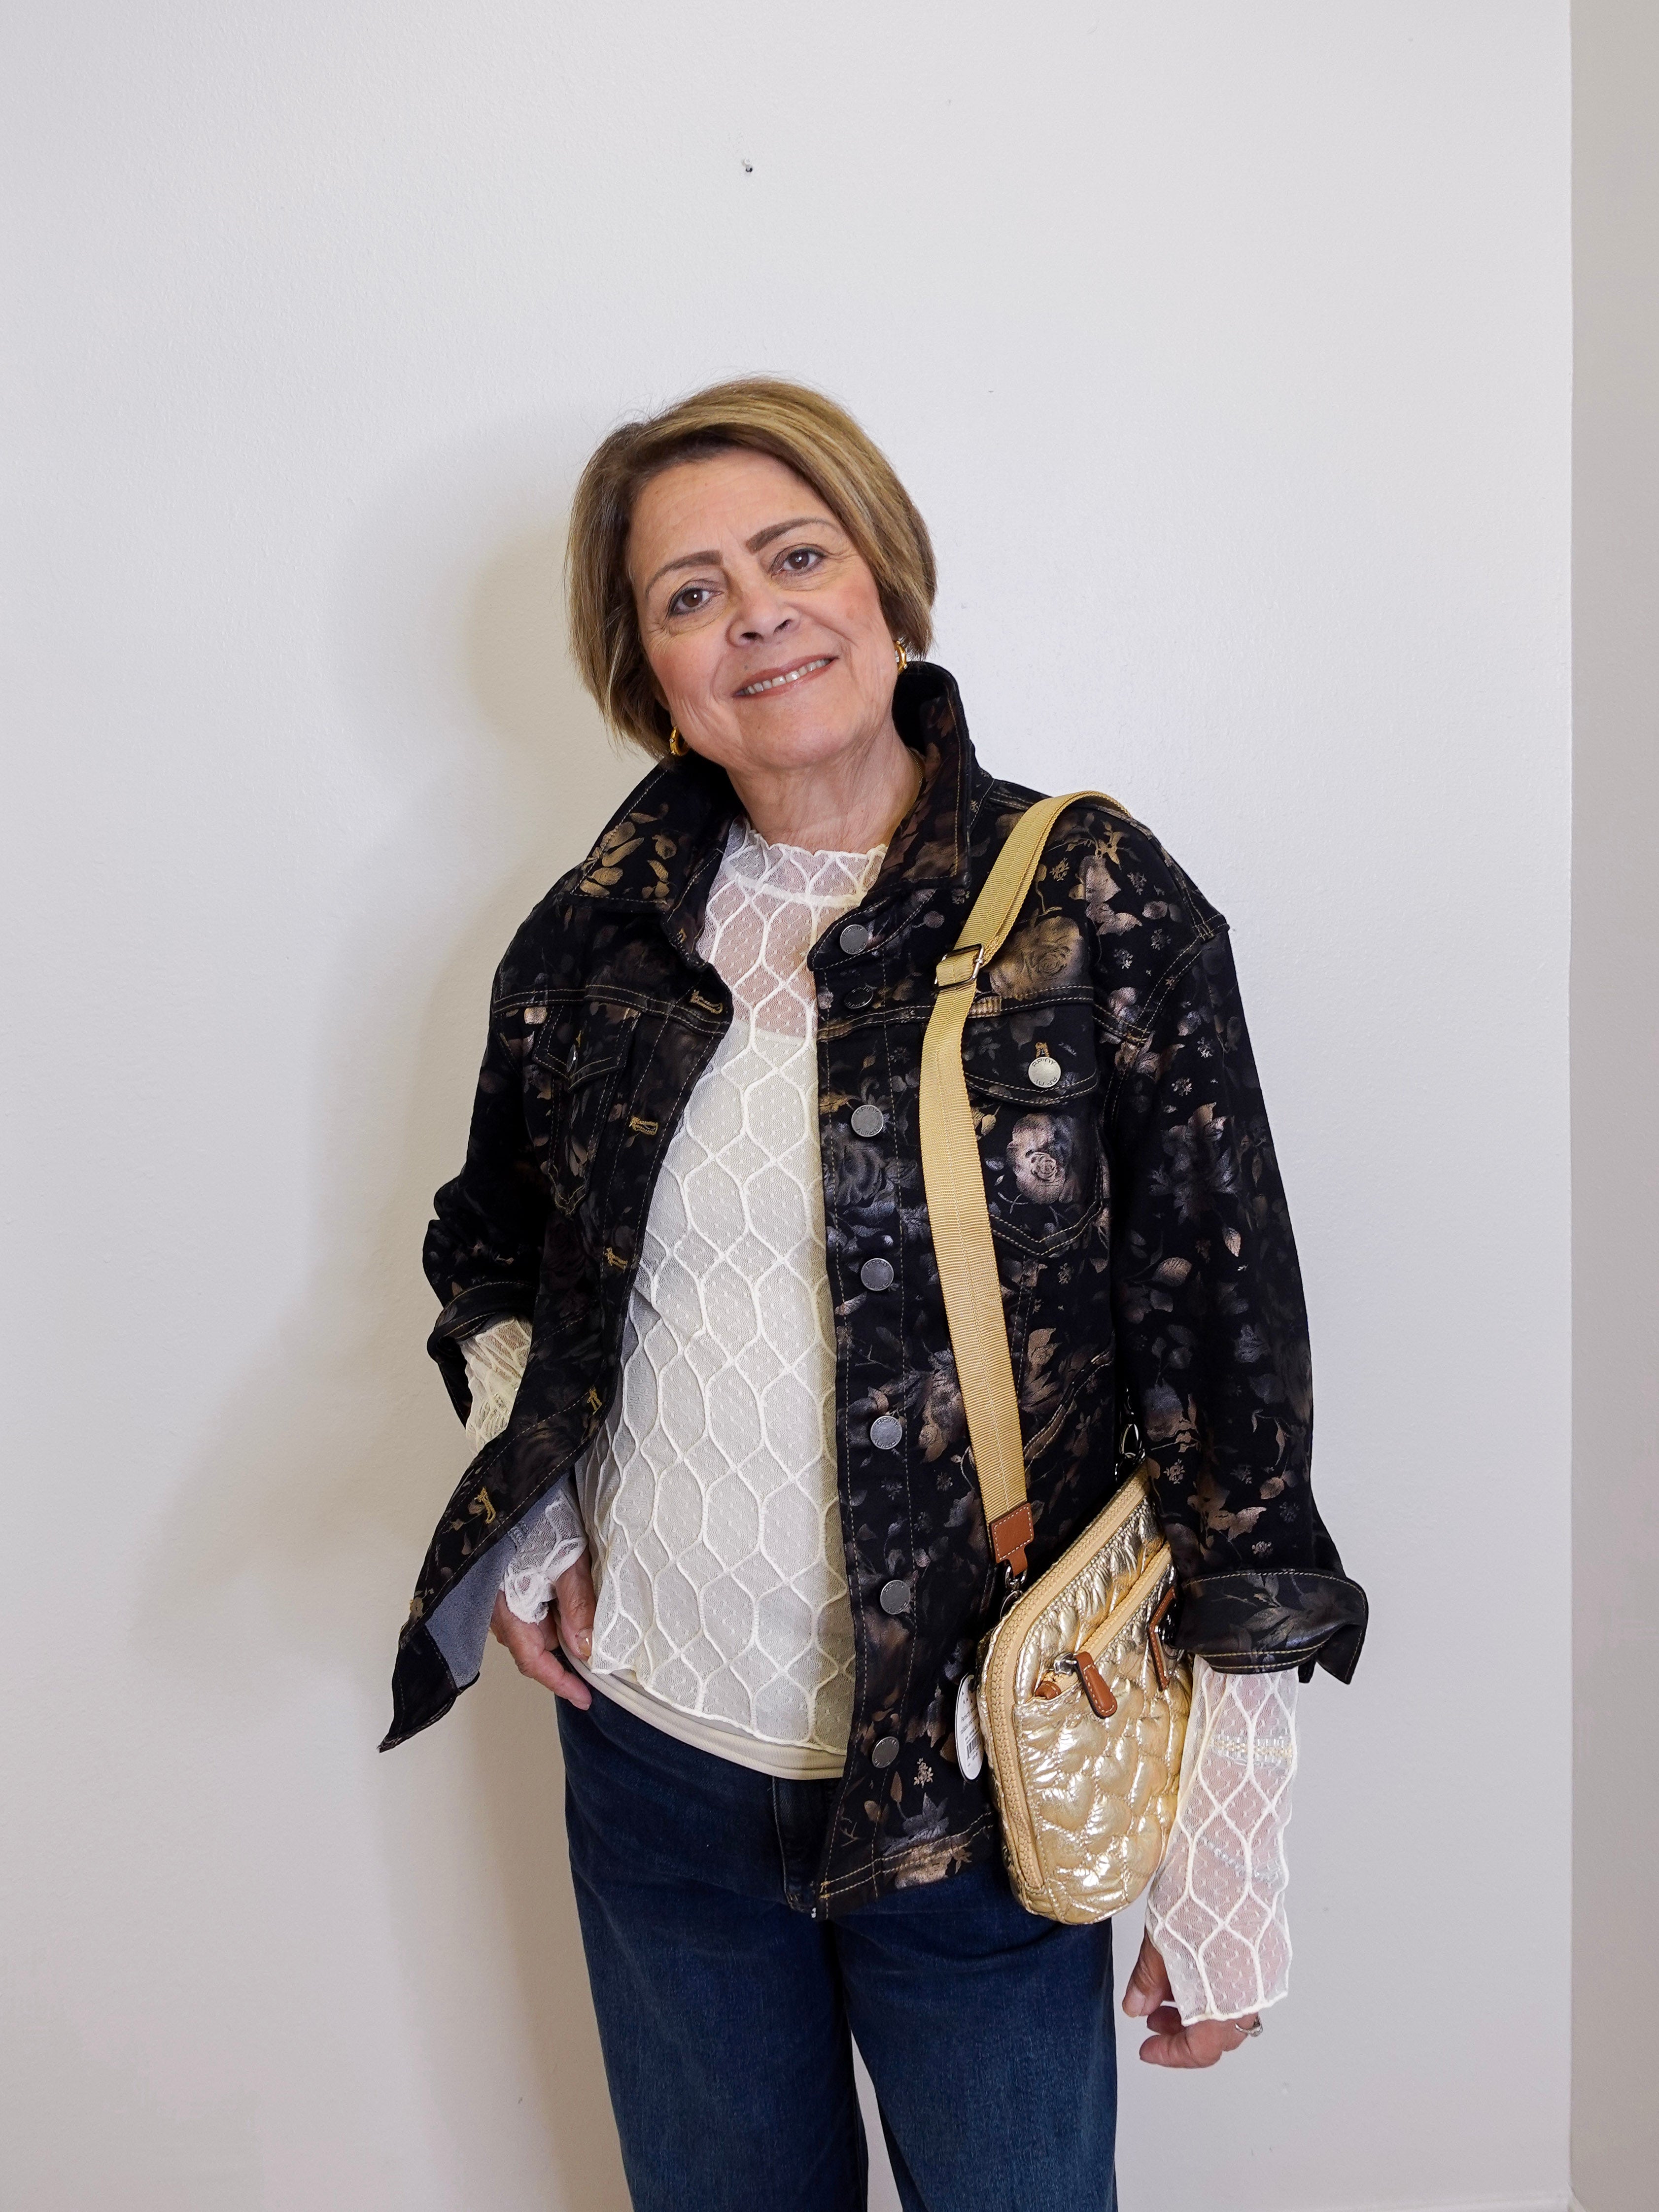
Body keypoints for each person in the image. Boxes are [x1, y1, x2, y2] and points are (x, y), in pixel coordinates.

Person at [383, 379, 1366, 2212]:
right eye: (686, 593)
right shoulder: (599, 932)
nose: (751, 612)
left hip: (984, 1779)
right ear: (646, 670)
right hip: (658, 1765)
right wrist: (533, 1532)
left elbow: (1228, 1378)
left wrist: (1231, 1843)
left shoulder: (1089, 900)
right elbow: (490, 1252)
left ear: (885, 586)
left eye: (792, 554)